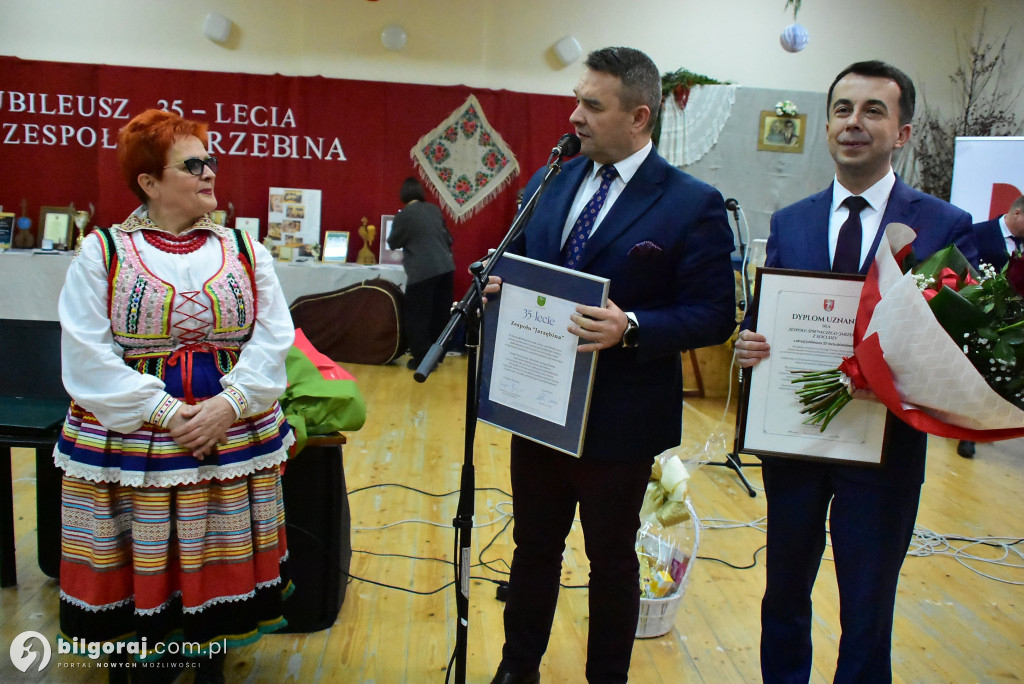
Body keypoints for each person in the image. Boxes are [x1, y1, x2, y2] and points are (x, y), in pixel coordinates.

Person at [486, 47, 737, 684]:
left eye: (592, 106)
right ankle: (517, 669)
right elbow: (520, 264)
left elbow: (714, 314)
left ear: (639, 116)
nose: (575, 116)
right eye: (577, 100)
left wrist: (634, 327)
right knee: (532, 549)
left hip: (620, 420)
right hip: (538, 406)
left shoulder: (691, 203)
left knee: (612, 563)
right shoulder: (550, 181)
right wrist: (498, 284)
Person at [736, 61, 977, 683]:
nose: (854, 123)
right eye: (842, 109)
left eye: (874, 110)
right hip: (796, 441)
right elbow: (767, 318)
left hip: (884, 448)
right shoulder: (791, 220)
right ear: (826, 126)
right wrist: (750, 343)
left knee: (867, 607)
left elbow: (959, 345)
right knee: (783, 593)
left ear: (903, 133)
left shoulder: (943, 225)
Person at [53, 109, 295, 681]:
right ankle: (141, 657)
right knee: (141, 551)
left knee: (214, 546)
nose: (210, 172)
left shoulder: (245, 248)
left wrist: (229, 404)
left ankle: (208, 656)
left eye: (211, 161)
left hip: (228, 426)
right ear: (149, 182)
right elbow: (86, 351)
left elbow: (273, 335)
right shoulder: (102, 252)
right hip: (135, 433)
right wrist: (165, 412)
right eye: (193, 165)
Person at [957, 193, 1024, 458]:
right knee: (974, 374)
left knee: (997, 375)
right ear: (1017, 213)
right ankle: (966, 432)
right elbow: (963, 270)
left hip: (1012, 325)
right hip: (979, 317)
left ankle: (980, 426)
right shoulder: (978, 232)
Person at [387, 177, 455, 369]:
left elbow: (393, 242)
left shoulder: (404, 215)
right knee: (440, 314)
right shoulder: (434, 210)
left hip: (422, 271)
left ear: (403, 195)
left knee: (417, 316)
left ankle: (422, 361)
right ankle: (436, 356)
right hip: (446, 267)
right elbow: (449, 239)